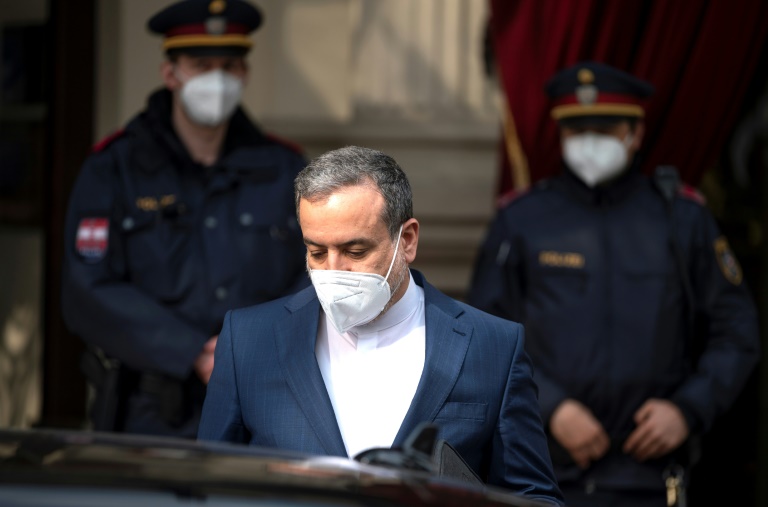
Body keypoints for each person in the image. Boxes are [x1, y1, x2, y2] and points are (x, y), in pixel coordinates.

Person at [197, 145, 564, 504]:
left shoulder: (493, 345)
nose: (334, 270)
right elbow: (205, 486)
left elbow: (535, 497)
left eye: (356, 251)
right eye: (317, 252)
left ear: (407, 241)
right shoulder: (248, 340)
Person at [468, 61, 761, 507]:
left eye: (604, 130)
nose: (589, 142)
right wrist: (551, 407)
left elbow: (736, 331)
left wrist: (688, 409)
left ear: (635, 133)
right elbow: (483, 333)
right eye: (576, 130)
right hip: (541, 470)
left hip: (651, 475)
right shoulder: (522, 220)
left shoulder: (681, 220)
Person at [61, 0, 309, 438]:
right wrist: (193, 350)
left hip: (262, 401)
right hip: (149, 411)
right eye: (201, 65)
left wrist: (249, 346)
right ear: (170, 73)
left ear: (245, 73)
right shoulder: (116, 167)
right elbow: (88, 286)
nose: (217, 80)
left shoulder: (284, 168)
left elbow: (317, 273)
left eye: (229, 66)